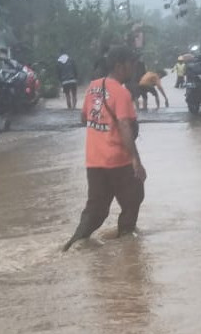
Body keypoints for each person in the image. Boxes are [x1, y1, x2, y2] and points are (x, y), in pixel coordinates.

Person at [62, 44, 146, 252]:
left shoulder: (93, 87)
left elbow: (84, 118)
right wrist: (136, 160)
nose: (134, 68)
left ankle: (72, 245)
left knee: (95, 210)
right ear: (120, 66)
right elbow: (125, 126)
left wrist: (101, 125)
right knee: (133, 198)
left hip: (94, 160)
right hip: (118, 160)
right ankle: (128, 244)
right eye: (131, 64)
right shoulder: (121, 93)